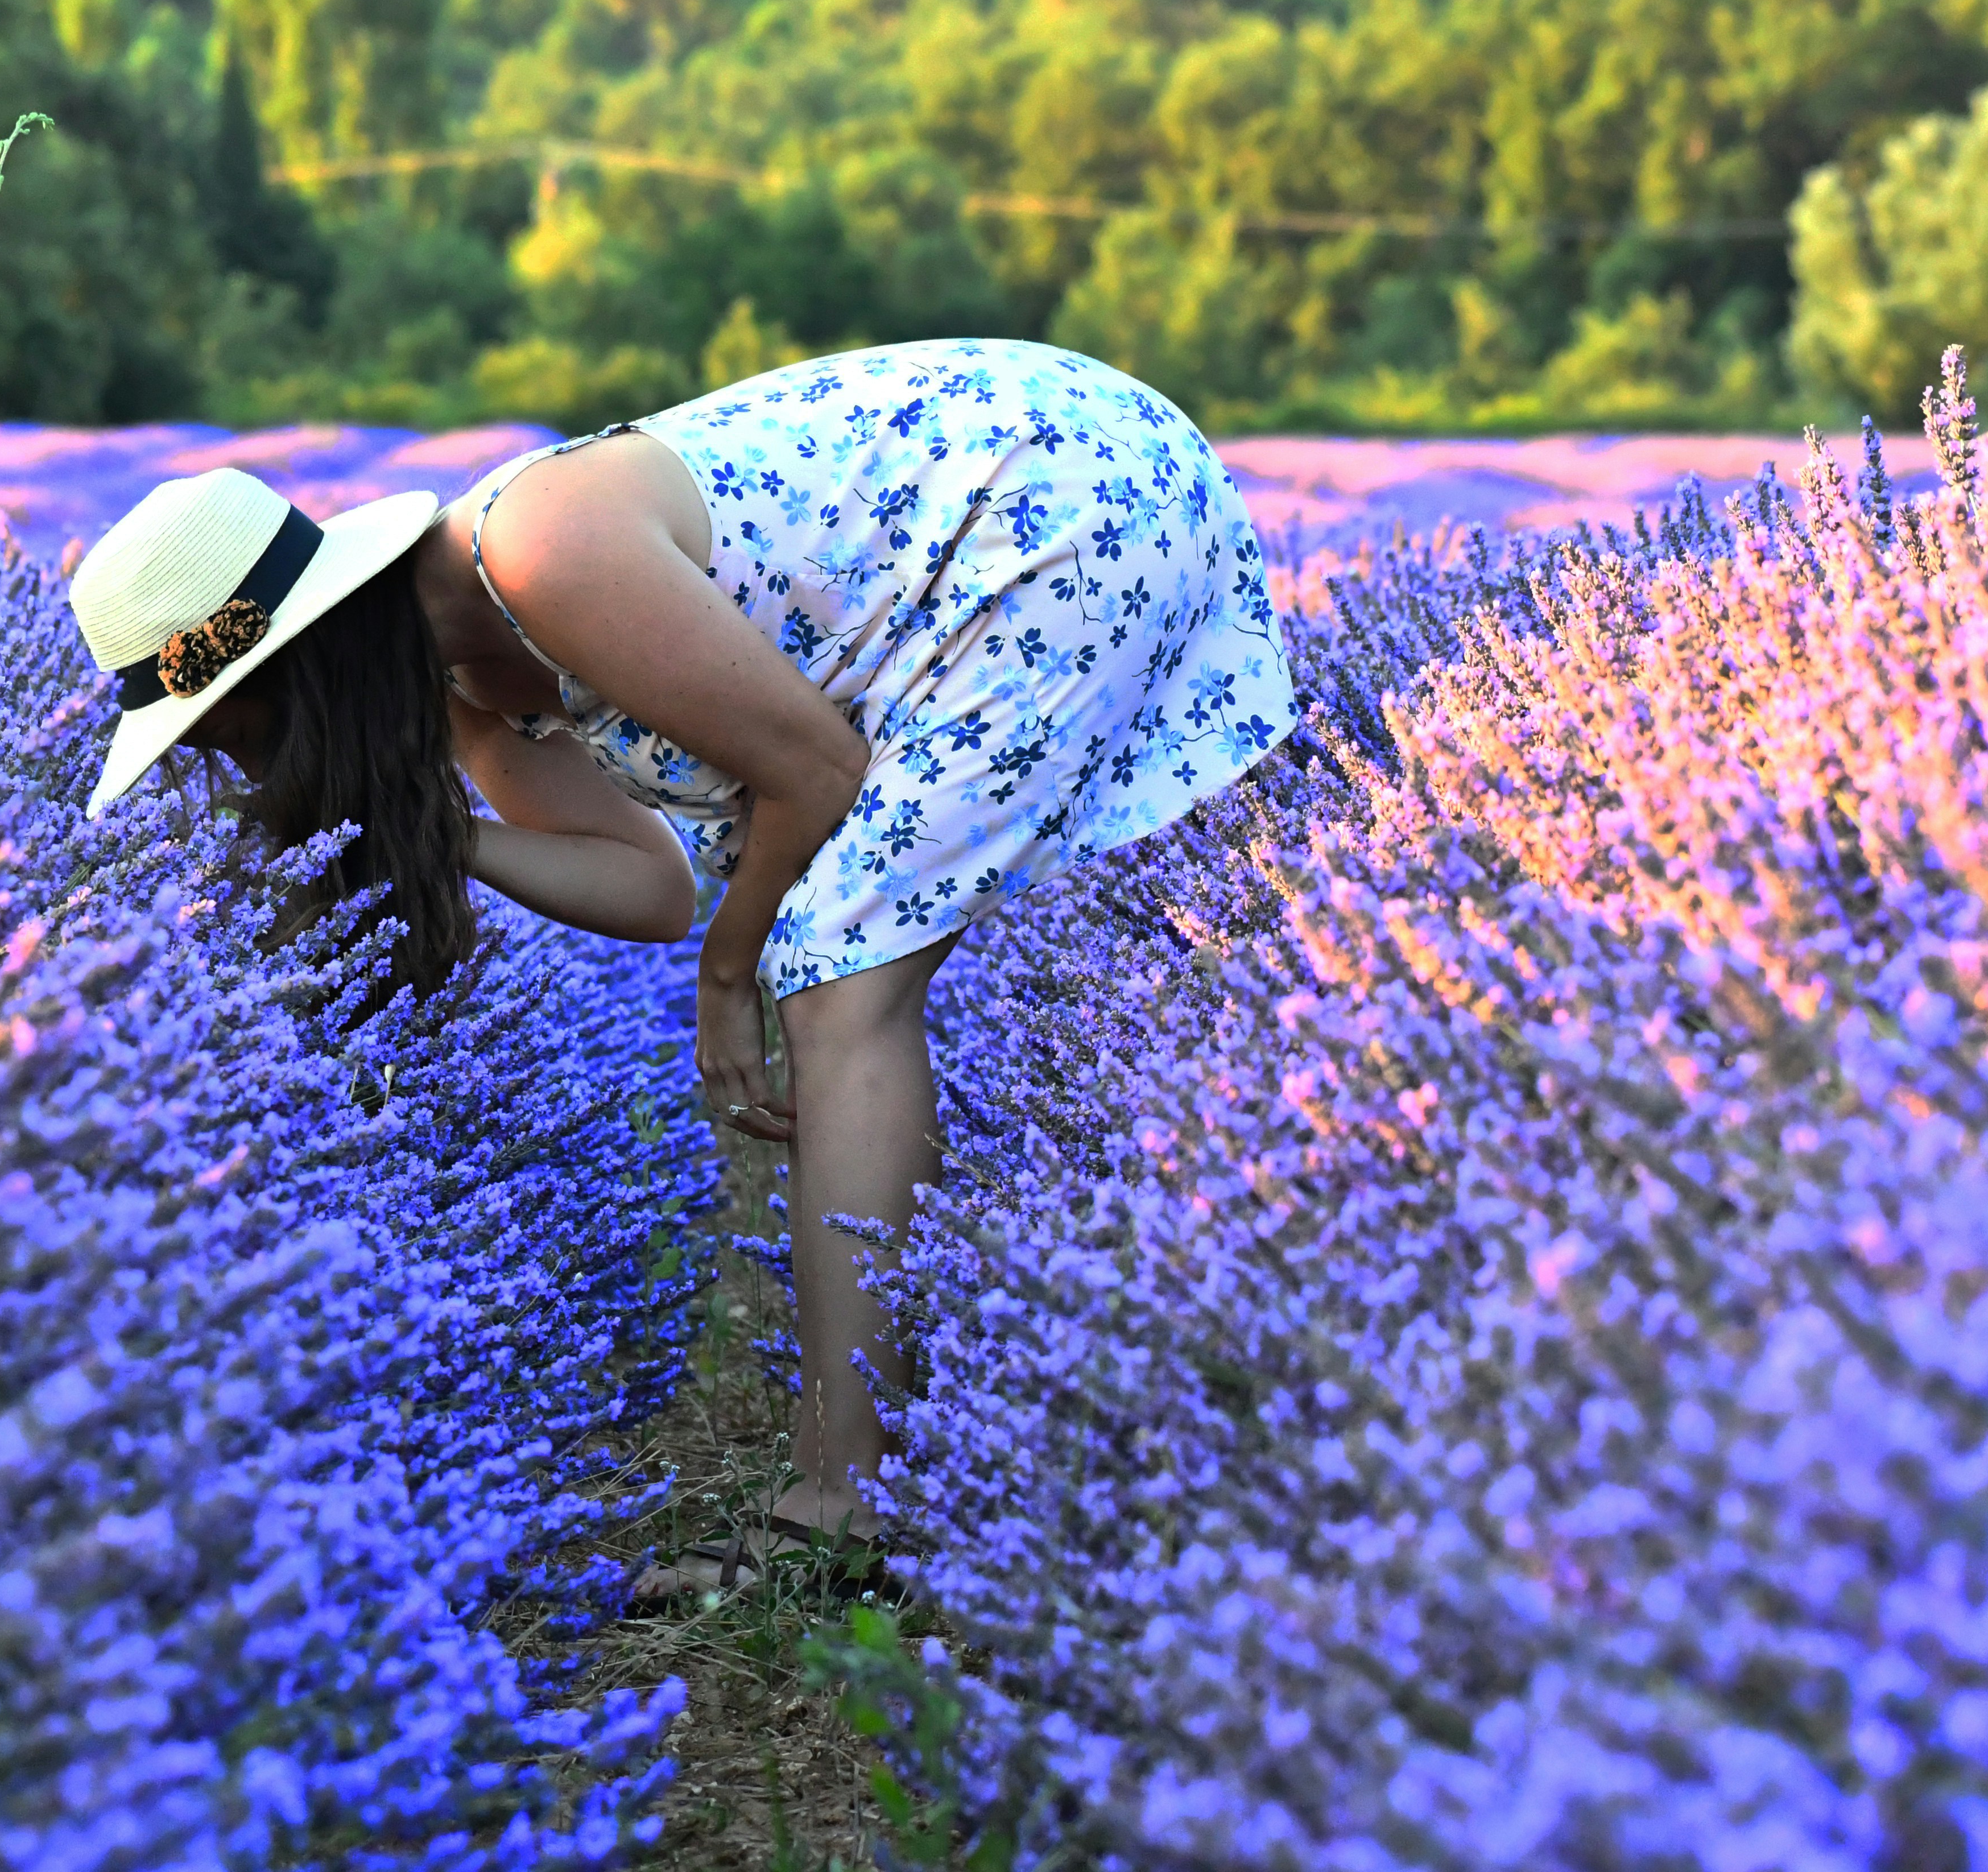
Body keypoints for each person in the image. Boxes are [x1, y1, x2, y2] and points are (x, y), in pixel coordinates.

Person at [68, 338, 1294, 1592]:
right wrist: (451, 841)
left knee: (835, 981)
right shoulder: (456, 681)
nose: (251, 773)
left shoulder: (540, 558)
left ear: (296, 674)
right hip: (1017, 511)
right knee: (833, 966)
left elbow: (813, 774)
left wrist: (732, 980)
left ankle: (846, 1513)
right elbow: (649, 883)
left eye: (239, 733)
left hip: (1061, 494)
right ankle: (867, 1484)